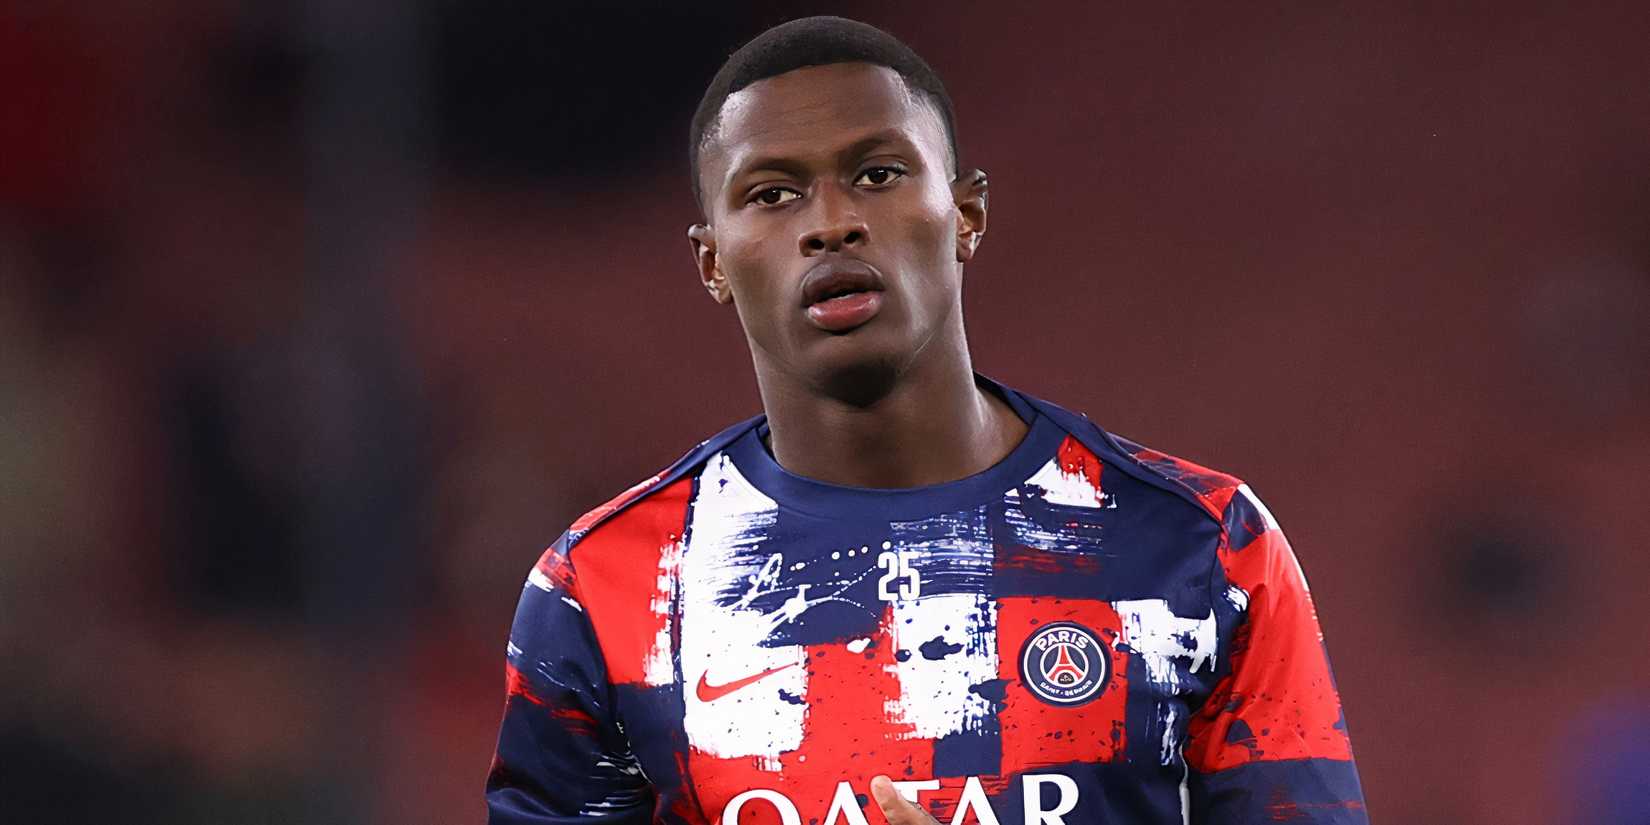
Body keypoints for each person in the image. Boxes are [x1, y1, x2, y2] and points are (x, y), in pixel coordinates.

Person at [486, 15, 1366, 825]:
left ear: (966, 214)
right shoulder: (605, 589)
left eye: (877, 174)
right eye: (773, 193)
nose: (832, 224)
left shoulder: (1204, 548)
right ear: (712, 260)